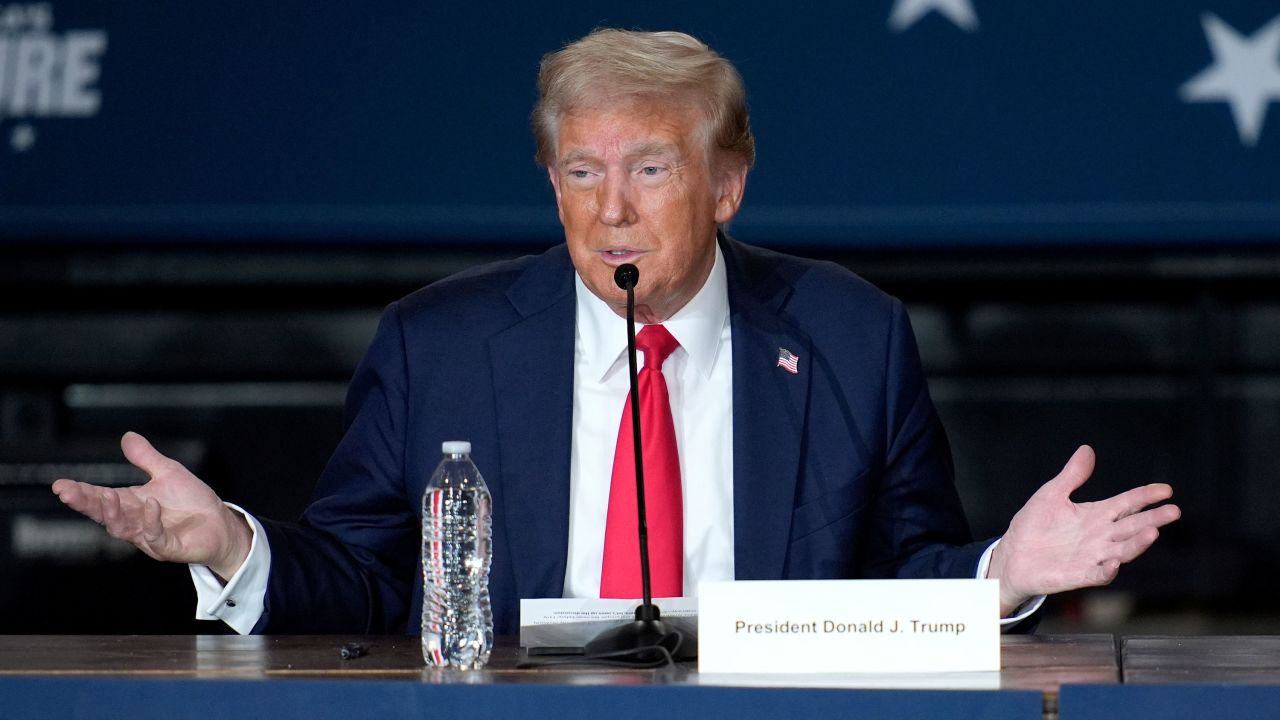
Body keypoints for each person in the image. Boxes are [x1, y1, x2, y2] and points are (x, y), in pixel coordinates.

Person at [51, 29, 1180, 636]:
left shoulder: (848, 335)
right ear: (549, 182)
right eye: (581, 173)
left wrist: (1000, 576)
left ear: (727, 185)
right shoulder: (435, 344)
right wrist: (231, 549)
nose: (611, 209)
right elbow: (359, 577)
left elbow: (893, 578)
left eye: (650, 169)